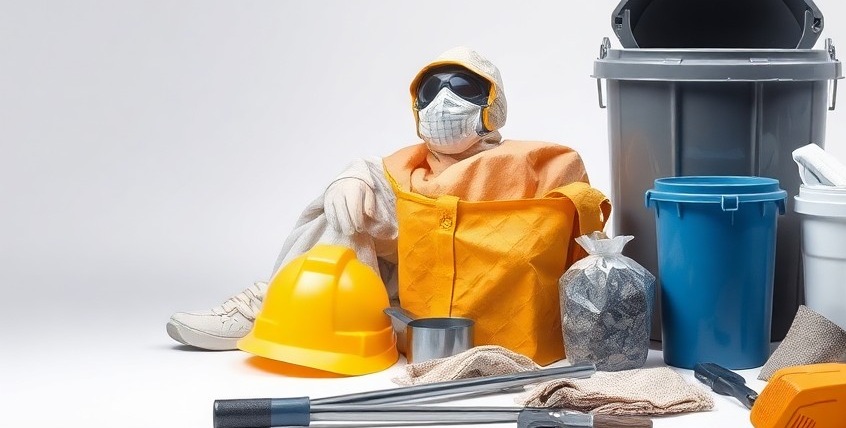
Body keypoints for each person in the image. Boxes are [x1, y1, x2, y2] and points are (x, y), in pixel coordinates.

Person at [166, 46, 588, 350]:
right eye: (430, 91)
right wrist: (352, 177)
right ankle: (277, 303)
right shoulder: (411, 169)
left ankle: (296, 307)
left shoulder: (527, 162)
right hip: (419, 294)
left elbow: (577, 226)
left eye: (462, 88)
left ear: (492, 106)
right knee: (343, 213)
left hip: (498, 309)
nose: (443, 102)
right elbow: (379, 173)